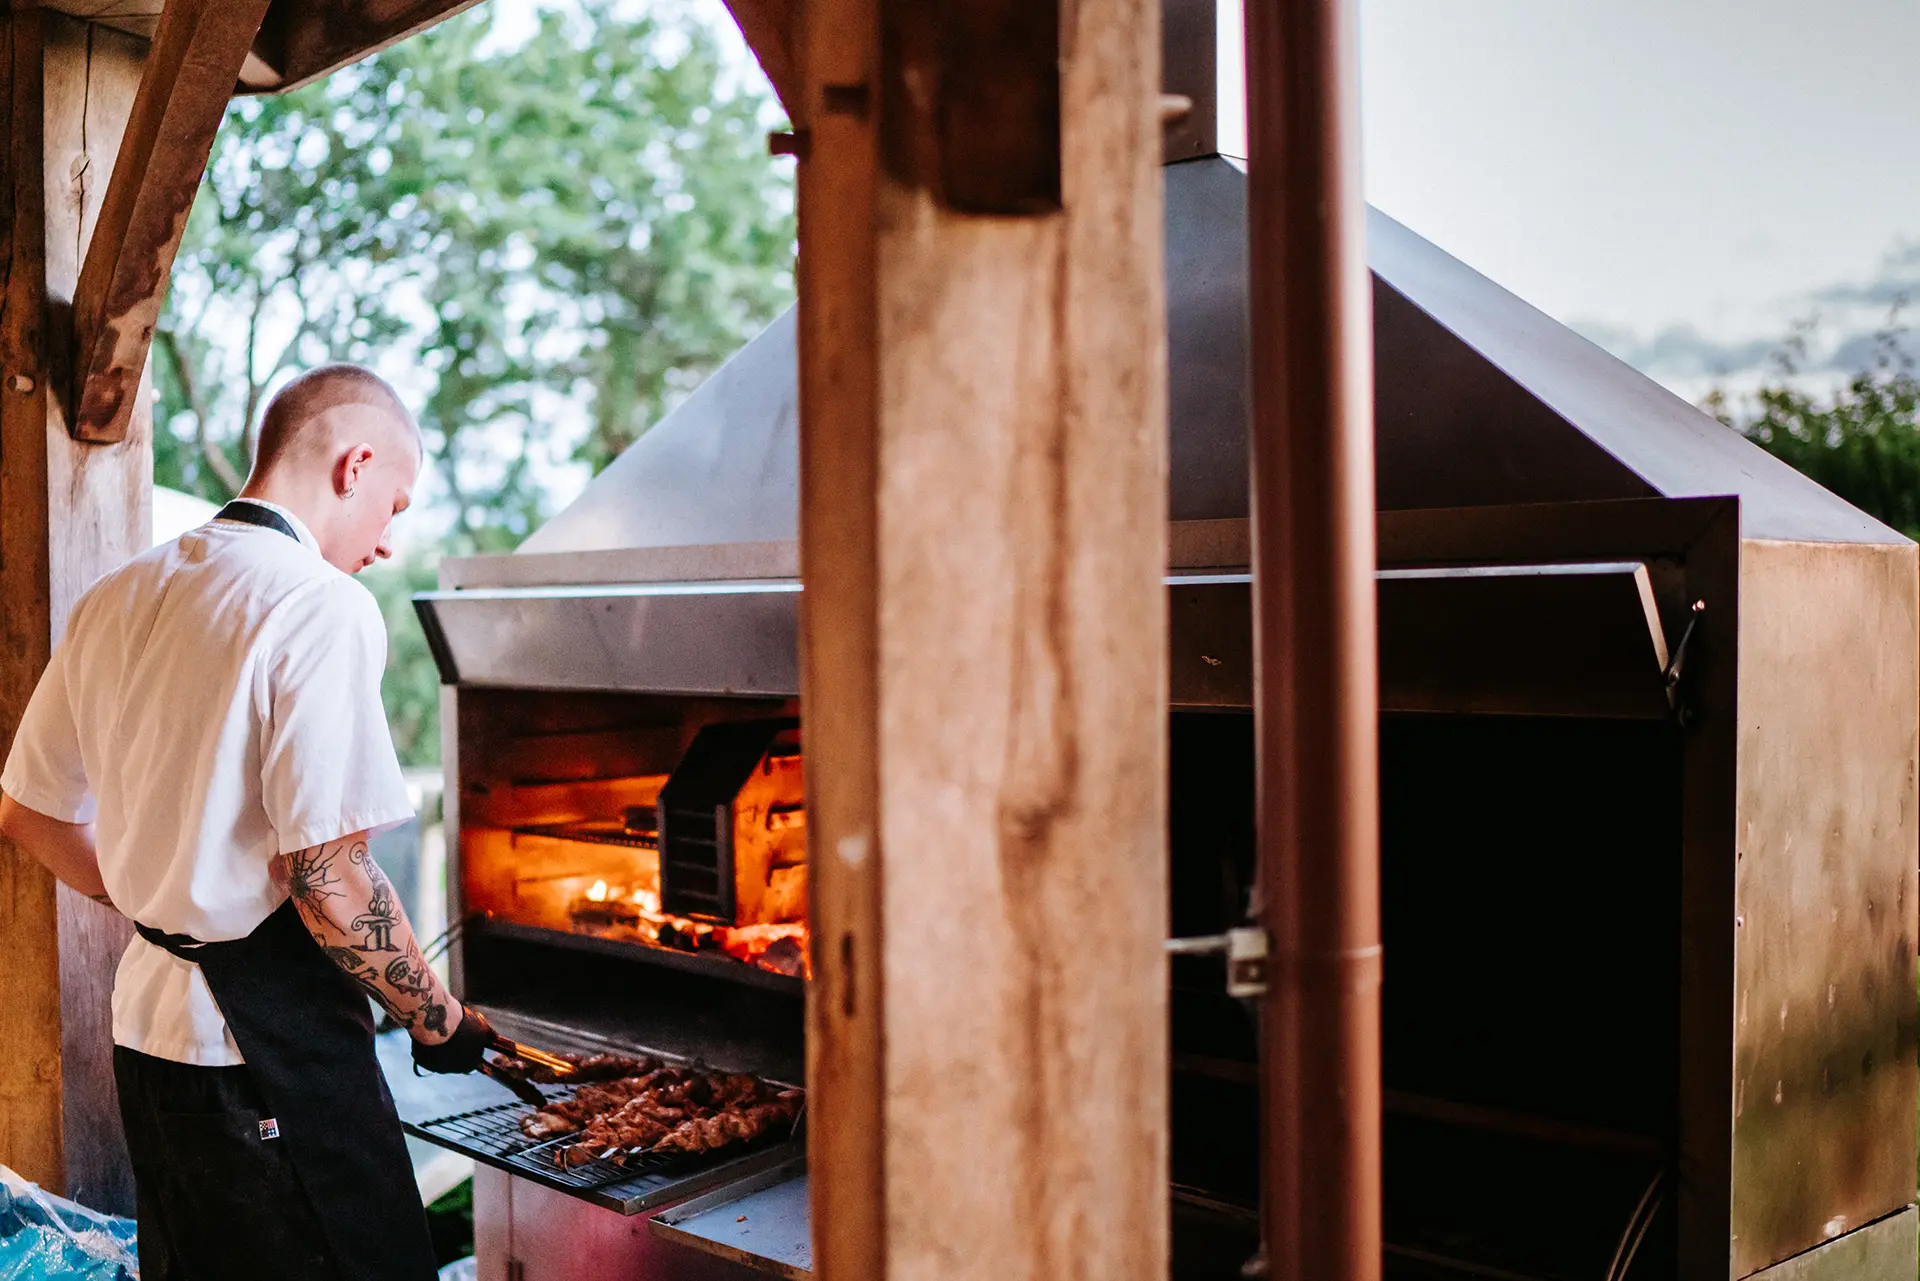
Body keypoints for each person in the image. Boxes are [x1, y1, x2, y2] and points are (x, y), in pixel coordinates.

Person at [0, 364, 492, 1281]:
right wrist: (438, 1021)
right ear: (355, 464)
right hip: (258, 1049)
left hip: (149, 1035)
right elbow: (328, 874)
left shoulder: (119, 594)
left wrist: (155, 881)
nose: (389, 542)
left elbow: (25, 813)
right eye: (395, 505)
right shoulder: (319, 603)